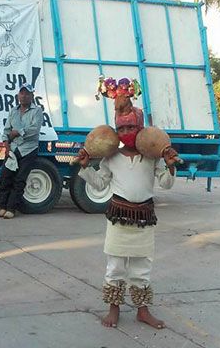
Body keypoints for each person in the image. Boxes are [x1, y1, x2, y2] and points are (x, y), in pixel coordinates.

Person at [75, 94, 180, 329]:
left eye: (131, 127)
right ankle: (114, 308)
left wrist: (170, 166)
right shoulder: (111, 157)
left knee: (142, 267)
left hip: (144, 218)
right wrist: (85, 168)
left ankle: (143, 311)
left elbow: (165, 183)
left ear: (141, 127)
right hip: (119, 218)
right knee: (115, 266)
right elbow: (100, 184)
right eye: (121, 128)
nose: (126, 132)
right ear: (115, 130)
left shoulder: (153, 157)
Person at [0, 83, 43, 219]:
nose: (24, 96)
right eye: (21, 93)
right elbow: (6, 131)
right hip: (12, 149)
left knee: (19, 180)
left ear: (32, 96)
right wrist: (6, 146)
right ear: (18, 95)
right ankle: (2, 207)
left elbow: (34, 130)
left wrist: (17, 132)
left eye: (27, 94)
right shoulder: (13, 111)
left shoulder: (37, 111)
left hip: (28, 150)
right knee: (5, 177)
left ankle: (11, 209)